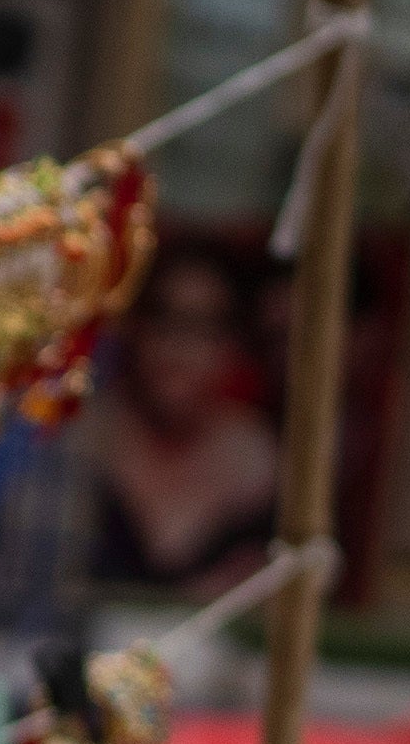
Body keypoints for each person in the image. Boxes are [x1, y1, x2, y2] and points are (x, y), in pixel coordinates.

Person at [86, 240, 288, 591]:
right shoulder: (83, 440)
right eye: (164, 321)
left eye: (203, 328)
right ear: (134, 328)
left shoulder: (263, 459)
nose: (179, 349)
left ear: (234, 345)